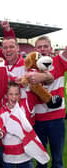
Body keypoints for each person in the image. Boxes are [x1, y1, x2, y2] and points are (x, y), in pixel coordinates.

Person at [0, 81, 50, 168]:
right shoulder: (2, 111)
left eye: (16, 94)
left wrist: (27, 82)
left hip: (25, 154)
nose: (14, 97)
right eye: (11, 94)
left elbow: (32, 94)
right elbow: (1, 128)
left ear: (20, 95)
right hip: (9, 155)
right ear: (6, 96)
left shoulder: (24, 106)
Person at [34, 36, 67, 168]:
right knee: (41, 159)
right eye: (39, 47)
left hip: (56, 118)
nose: (42, 49)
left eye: (45, 46)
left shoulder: (58, 61)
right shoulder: (31, 67)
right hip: (38, 119)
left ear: (51, 49)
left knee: (57, 159)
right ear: (35, 50)